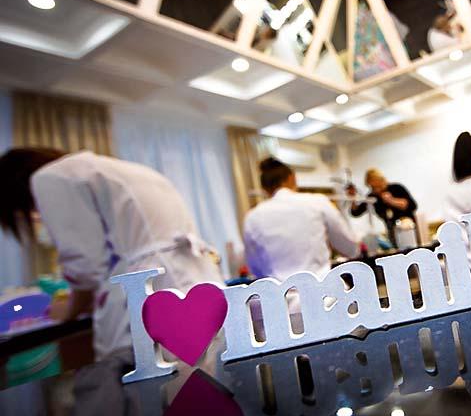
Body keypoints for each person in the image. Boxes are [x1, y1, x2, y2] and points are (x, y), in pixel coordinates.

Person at [0, 148, 223, 361]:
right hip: (201, 281)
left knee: (155, 379)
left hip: (147, 297)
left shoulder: (48, 177)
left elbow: (86, 266)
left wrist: (67, 310)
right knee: (210, 373)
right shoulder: (132, 171)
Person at [244, 158, 359, 280]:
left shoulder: (253, 217)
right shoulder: (317, 202)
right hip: (322, 288)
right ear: (292, 178)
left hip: (280, 291)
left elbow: (254, 267)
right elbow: (350, 248)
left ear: (264, 188)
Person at [347, 169, 418, 243]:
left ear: (381, 181)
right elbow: (356, 212)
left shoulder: (396, 188)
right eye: (372, 187)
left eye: (376, 186)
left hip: (408, 229)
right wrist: (352, 197)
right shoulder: (372, 197)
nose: (375, 190)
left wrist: (392, 201)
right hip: (392, 232)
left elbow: (412, 206)